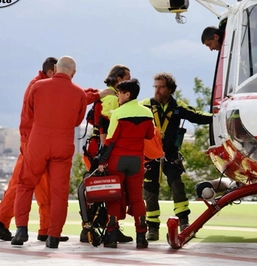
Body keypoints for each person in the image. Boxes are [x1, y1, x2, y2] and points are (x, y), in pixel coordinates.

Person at [11, 56, 87, 249]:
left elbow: (28, 113)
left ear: (55, 68)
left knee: (25, 184)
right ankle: (53, 237)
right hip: (63, 144)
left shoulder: (37, 86)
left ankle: (21, 229)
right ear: (74, 73)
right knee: (59, 192)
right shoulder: (79, 93)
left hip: (38, 142)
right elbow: (78, 121)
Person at [0, 57, 70, 242]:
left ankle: (43, 228)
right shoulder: (42, 87)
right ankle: (40, 228)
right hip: (34, 143)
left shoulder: (37, 85)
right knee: (27, 186)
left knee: (28, 185)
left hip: (33, 142)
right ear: (51, 72)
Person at [140, 72, 213, 241]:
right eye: (155, 87)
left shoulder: (179, 108)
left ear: (170, 89)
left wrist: (219, 117)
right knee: (150, 192)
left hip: (170, 155)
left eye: (161, 87)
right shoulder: (144, 106)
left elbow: (199, 116)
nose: (157, 90)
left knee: (177, 188)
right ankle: (152, 229)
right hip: (150, 157)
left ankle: (184, 223)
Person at [97, 78, 155, 249]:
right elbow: (150, 136)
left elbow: (110, 140)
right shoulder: (147, 113)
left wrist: (102, 161)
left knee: (115, 197)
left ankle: (111, 236)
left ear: (127, 94)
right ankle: (141, 236)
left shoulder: (118, 113)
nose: (118, 97)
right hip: (137, 160)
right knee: (137, 198)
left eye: (119, 94)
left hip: (118, 159)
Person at [79, 64, 133, 244]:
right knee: (109, 189)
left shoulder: (105, 94)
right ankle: (106, 229)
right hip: (103, 148)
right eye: (127, 78)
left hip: (96, 148)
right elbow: (106, 122)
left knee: (97, 188)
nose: (129, 82)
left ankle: (92, 228)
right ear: (119, 79)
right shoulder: (112, 96)